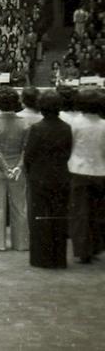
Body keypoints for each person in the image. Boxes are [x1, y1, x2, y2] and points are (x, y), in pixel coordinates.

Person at [23, 90, 72, 268]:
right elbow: (67, 152)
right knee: (59, 217)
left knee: (40, 218)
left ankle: (41, 258)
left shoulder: (37, 129)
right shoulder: (66, 128)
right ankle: (59, 258)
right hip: (60, 175)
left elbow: (28, 156)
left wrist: (31, 173)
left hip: (39, 177)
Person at [0, 87, 30, 252]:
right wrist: (18, 166)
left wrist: (5, 168)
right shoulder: (23, 122)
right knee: (20, 205)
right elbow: (26, 148)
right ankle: (22, 242)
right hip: (18, 168)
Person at [66, 89, 105, 264]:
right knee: (97, 212)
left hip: (77, 169)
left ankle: (82, 250)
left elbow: (70, 145)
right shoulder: (103, 125)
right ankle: (96, 246)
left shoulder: (74, 124)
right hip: (99, 170)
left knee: (80, 212)